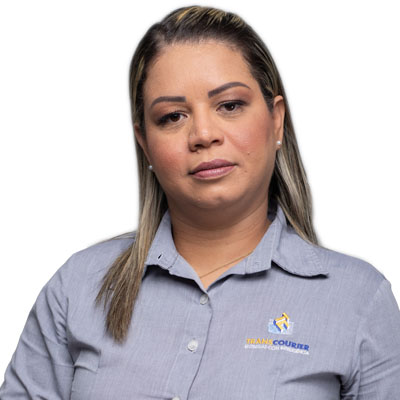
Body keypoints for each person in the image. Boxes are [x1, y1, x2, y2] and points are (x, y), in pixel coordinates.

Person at [1, 5, 400, 399]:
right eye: (173, 116)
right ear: (145, 143)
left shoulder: (358, 300)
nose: (203, 134)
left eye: (230, 105)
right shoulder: (77, 286)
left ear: (276, 120)